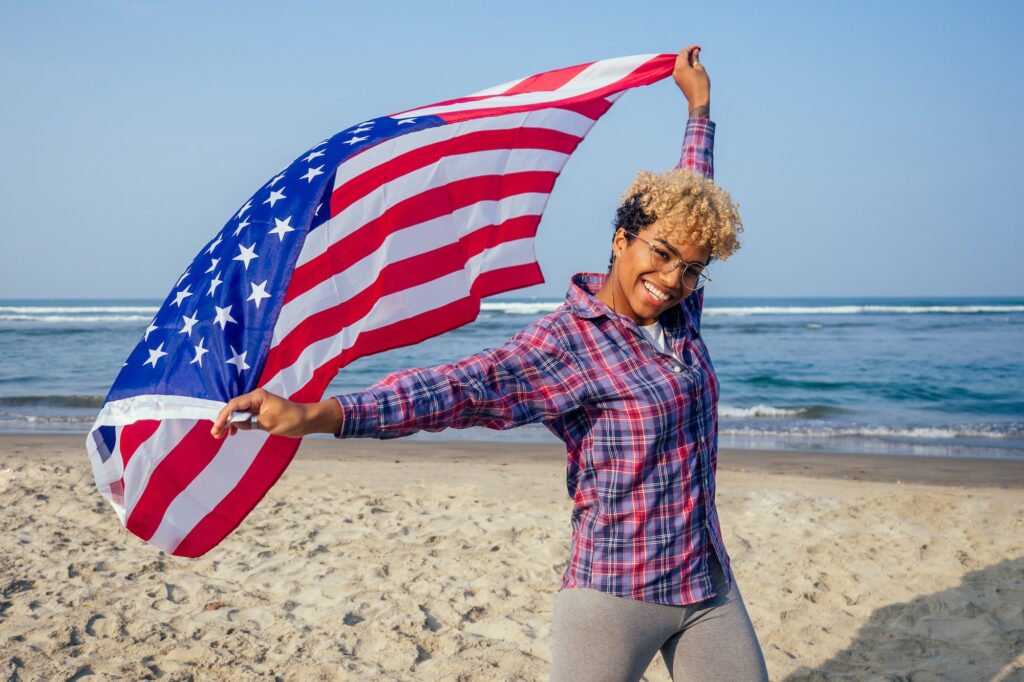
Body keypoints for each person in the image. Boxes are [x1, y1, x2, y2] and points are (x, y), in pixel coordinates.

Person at [212, 45, 768, 682]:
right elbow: (454, 389)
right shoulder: (564, 346)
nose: (672, 279)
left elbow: (690, 202)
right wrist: (315, 414)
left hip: (706, 583)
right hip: (616, 593)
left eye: (692, 269)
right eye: (661, 255)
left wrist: (699, 110)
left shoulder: (679, 316)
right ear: (621, 239)